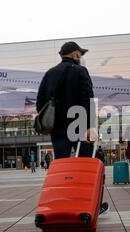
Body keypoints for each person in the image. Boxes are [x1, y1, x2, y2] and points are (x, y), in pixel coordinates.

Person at [36, 41, 109, 215]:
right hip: (80, 127)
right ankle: (89, 207)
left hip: (58, 130)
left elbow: (40, 104)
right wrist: (91, 126)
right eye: (81, 55)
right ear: (75, 55)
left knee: (62, 170)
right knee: (84, 171)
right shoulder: (80, 71)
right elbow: (88, 99)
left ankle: (63, 206)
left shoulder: (49, 74)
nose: (81, 58)